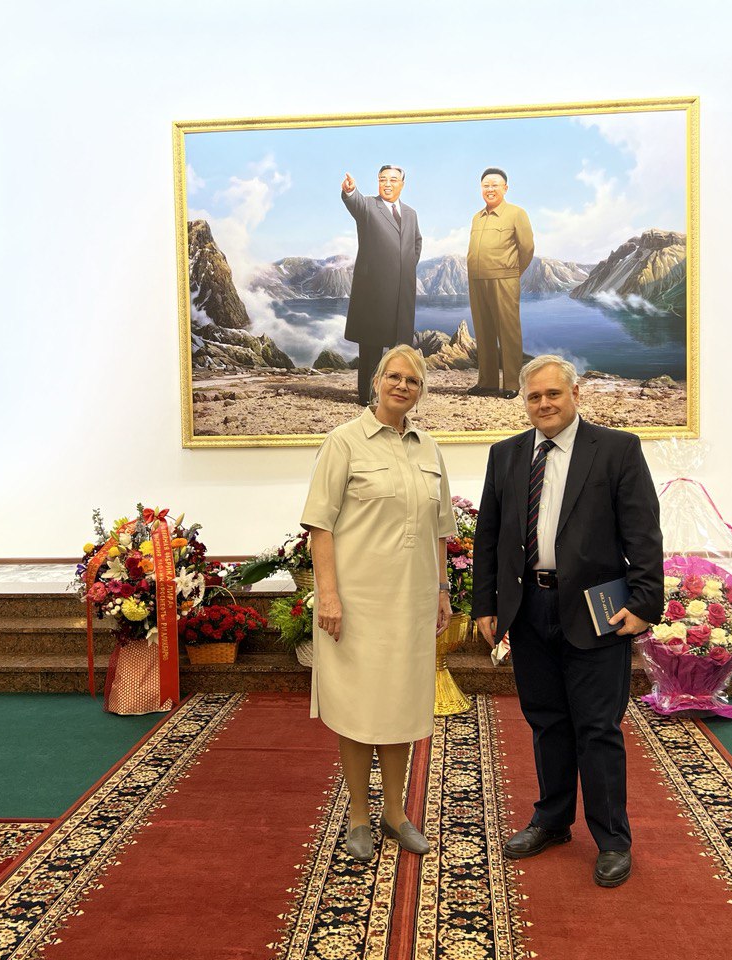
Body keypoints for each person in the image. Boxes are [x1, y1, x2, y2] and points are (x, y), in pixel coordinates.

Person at [471, 355, 663, 887]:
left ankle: (613, 840)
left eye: (553, 394)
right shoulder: (506, 455)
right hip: (528, 608)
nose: (544, 404)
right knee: (547, 720)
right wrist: (485, 603)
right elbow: (488, 535)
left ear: (575, 394)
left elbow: (644, 533)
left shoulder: (617, 449)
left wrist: (644, 603)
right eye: (534, 396)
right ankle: (553, 820)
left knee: (598, 728)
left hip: (598, 611)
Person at [301, 344, 458, 861]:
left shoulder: (430, 449)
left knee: (400, 708)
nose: (402, 386)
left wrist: (442, 590)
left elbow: (440, 530)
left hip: (412, 604)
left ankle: (395, 814)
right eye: (394, 376)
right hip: (357, 604)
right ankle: (358, 817)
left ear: (421, 391)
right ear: (376, 381)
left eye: (413, 381)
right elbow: (320, 525)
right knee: (359, 708)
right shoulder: (343, 442)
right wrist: (328, 594)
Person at [340, 166, 424, 405]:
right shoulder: (368, 206)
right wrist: (350, 191)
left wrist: (406, 267)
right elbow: (354, 201)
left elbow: (417, 242)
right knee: (371, 345)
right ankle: (367, 396)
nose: (387, 184)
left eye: (393, 180)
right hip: (374, 290)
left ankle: (397, 392)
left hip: (402, 291)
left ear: (402, 184)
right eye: (382, 179)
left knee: (400, 346)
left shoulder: (410, 213)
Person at [466, 167, 534, 400]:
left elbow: (527, 248)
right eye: (486, 185)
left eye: (495, 185)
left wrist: (512, 272)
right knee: (483, 331)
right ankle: (487, 382)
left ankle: (512, 383)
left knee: (508, 330)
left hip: (504, 278)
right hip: (477, 279)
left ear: (505, 188)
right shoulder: (477, 217)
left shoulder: (517, 213)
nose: (490, 189)